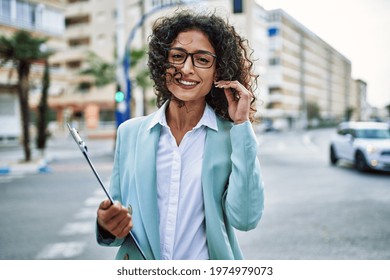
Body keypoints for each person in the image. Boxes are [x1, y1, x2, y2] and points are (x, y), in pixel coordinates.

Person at [96, 9, 264, 260]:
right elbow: (119, 226)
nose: (186, 69)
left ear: (218, 71)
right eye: (177, 56)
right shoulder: (130, 133)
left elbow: (246, 219)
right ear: (163, 63)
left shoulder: (231, 137)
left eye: (202, 60)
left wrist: (241, 124)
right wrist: (106, 225)